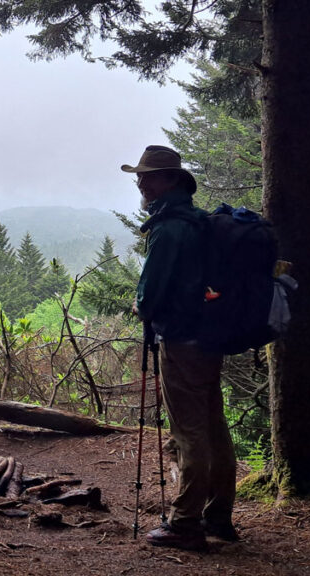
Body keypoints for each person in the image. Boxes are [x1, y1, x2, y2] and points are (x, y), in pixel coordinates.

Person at [124, 145, 238, 551]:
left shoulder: (168, 227)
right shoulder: (199, 222)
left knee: (189, 432)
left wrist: (141, 305)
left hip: (181, 340)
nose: (141, 181)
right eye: (140, 176)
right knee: (214, 427)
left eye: (149, 175)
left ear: (171, 179)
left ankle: (186, 522)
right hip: (210, 338)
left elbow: (151, 293)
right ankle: (219, 515)